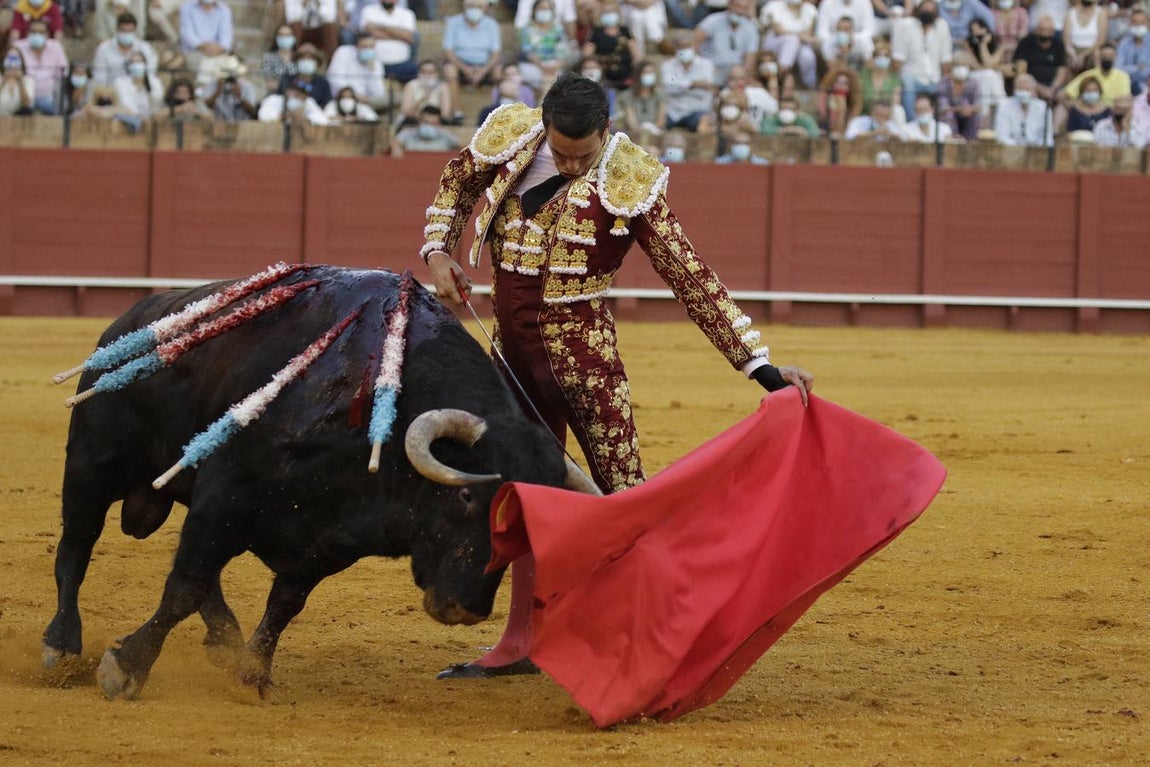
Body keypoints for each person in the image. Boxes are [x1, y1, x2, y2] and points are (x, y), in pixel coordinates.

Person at [417, 73, 813, 678]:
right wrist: (438, 250)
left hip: (587, 366)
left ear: (607, 130)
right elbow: (456, 183)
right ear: (544, 126)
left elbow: (688, 274)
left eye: (585, 154)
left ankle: (659, 639)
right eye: (562, 153)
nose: (573, 166)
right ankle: (523, 642)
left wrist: (759, 366)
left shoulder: (629, 177)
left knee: (625, 499)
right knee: (520, 493)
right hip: (511, 362)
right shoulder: (512, 136)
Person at [891, 0, 953, 122]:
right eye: (925, 7)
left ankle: (942, 126)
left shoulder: (942, 26)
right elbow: (897, 61)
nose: (928, 11)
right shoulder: (904, 26)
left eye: (931, 8)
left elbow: (946, 60)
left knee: (946, 86)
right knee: (907, 82)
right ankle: (911, 123)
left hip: (934, 78)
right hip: (912, 78)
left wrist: (945, 79)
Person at [442, 0, 503, 114]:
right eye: (471, 6)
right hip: (460, 65)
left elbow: (496, 53)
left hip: (484, 65)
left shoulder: (492, 24)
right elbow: (447, 51)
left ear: (485, 8)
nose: (474, 9)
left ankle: (500, 110)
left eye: (478, 6)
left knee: (498, 69)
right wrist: (465, 69)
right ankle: (457, 112)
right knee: (449, 69)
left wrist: (483, 71)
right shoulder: (453, 22)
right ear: (464, 6)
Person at [660, 31, 716, 132]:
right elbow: (669, 87)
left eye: (688, 46)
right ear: (675, 49)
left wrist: (681, 87)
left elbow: (705, 89)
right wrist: (692, 84)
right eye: (681, 47)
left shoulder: (707, 65)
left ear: (695, 46)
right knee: (658, 119)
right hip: (673, 112)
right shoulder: (667, 65)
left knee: (704, 121)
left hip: (697, 111)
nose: (684, 49)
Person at [694, 0, 759, 86]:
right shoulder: (713, 20)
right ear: (729, 4)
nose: (740, 11)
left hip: (735, 70)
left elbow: (750, 58)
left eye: (744, 8)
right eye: (738, 6)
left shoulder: (750, 28)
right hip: (713, 67)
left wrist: (742, 75)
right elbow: (694, 40)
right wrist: (702, 64)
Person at [11, 19, 69, 114]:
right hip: (23, 97)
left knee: (60, 107)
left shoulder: (56, 47)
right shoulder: (17, 47)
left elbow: (63, 73)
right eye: (33, 32)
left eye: (41, 32)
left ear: (47, 34)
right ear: (27, 33)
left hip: (48, 97)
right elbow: (10, 71)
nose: (37, 35)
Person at [759, 0, 819, 89]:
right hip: (775, 42)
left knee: (807, 56)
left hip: (800, 43)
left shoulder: (810, 9)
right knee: (792, 40)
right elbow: (779, 31)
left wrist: (801, 37)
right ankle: (782, 73)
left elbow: (808, 34)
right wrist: (800, 36)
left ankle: (810, 85)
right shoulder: (773, 6)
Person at [581, 0, 639, 91]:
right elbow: (586, 54)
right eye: (606, 12)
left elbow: (636, 55)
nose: (609, 14)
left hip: (626, 77)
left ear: (618, 13)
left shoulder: (625, 31)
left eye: (612, 11)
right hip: (604, 79)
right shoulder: (596, 32)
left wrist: (635, 74)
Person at [520, 0, 575, 92]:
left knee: (555, 79)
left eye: (547, 9)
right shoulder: (526, 29)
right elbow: (528, 52)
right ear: (534, 10)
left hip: (554, 65)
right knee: (548, 81)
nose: (544, 11)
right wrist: (542, 66)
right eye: (541, 9)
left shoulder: (558, 29)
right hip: (533, 65)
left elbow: (562, 51)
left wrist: (556, 66)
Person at [1012, 15, 1070, 102]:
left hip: (1053, 87)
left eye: (1048, 31)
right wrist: (1038, 88)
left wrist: (1053, 89)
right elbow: (1021, 71)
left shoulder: (1058, 45)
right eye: (1042, 30)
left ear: (1053, 32)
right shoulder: (1026, 43)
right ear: (1037, 30)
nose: (1045, 34)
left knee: (1063, 96)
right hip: (1031, 85)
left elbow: (1062, 71)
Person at [327, 32, 391, 110]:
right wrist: (354, 95)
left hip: (365, 103)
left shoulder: (376, 62)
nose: (368, 50)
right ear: (356, 47)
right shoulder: (343, 52)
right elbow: (335, 80)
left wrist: (372, 71)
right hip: (343, 99)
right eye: (364, 47)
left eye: (371, 47)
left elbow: (378, 94)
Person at [359, 0, 418, 83]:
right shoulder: (368, 10)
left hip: (402, 63)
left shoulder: (407, 14)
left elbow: (409, 37)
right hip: (373, 63)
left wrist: (380, 26)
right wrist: (400, 35)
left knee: (416, 72)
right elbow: (369, 33)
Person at [92, 13, 158, 86]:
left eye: (130, 31)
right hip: (111, 90)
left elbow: (150, 74)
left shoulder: (145, 48)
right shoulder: (103, 48)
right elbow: (99, 78)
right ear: (117, 30)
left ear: (135, 31)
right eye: (123, 31)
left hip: (137, 89)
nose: (126, 34)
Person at [178, 0, 235, 78]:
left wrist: (219, 48)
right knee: (207, 69)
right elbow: (187, 35)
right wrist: (203, 46)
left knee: (233, 69)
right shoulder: (187, 7)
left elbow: (226, 36)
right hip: (194, 51)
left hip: (218, 52)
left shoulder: (224, 10)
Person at [994, 72, 1053, 144]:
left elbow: (1047, 138)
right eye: (1020, 89)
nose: (1023, 92)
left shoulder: (1043, 108)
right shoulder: (1004, 106)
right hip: (1011, 148)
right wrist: (1019, 148)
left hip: (1036, 148)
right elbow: (1002, 136)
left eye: (1027, 89)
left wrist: (1037, 148)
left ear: (1034, 92)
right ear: (1014, 90)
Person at [615, 58, 665, 137]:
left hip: (654, 132)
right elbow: (631, 121)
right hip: (634, 132)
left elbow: (661, 121)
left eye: (652, 72)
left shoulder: (659, 94)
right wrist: (640, 130)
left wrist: (650, 129)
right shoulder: (627, 95)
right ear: (638, 75)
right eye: (646, 72)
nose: (649, 75)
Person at [938, 55, 981, 140]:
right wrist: (959, 109)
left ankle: (971, 142)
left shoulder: (973, 83)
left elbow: (979, 103)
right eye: (958, 65)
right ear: (952, 67)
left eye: (964, 65)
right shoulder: (944, 83)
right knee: (948, 115)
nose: (961, 68)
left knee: (976, 116)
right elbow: (943, 106)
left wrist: (971, 109)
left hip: (967, 114)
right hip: (949, 114)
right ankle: (953, 139)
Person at [398, 59, 452, 126]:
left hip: (435, 124)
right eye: (423, 72)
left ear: (437, 74)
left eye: (430, 72)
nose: (427, 75)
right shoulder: (411, 85)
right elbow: (406, 112)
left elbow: (445, 114)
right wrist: (422, 98)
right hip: (412, 123)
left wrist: (430, 119)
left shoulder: (443, 87)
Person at [860, 38, 902, 117]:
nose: (882, 58)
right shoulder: (865, 75)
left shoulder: (894, 79)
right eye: (879, 55)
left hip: (886, 116)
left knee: (898, 111)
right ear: (874, 58)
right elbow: (859, 101)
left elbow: (895, 102)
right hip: (866, 115)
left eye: (885, 56)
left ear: (890, 59)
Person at [393, 103, 460, 152]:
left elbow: (461, 146)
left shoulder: (445, 135)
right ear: (420, 121)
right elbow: (395, 142)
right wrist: (396, 148)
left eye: (433, 124)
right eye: (426, 122)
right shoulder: (410, 133)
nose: (429, 126)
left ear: (439, 124)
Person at [816, 65, 862, 136]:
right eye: (838, 82)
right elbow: (824, 119)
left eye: (845, 84)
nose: (841, 86)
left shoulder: (853, 104)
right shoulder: (824, 99)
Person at [1063, 0, 1107, 74]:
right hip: (1074, 50)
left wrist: (1084, 55)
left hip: (1092, 50)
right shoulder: (1071, 13)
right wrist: (1074, 56)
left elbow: (1101, 40)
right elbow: (1067, 43)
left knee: (1096, 55)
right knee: (1069, 59)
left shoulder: (1100, 13)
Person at [258, 80, 329, 123]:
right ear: (287, 91)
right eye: (296, 93)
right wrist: (282, 117)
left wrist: (304, 119)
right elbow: (262, 116)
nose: (298, 97)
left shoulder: (309, 102)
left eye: (302, 95)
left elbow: (323, 121)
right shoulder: (275, 99)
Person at [1115, 10, 1150, 94]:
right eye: (1135, 22)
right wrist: (1138, 68)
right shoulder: (1124, 43)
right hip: (1127, 83)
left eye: (1142, 22)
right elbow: (1118, 68)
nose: (1138, 25)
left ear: (1148, 24)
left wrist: (1131, 69)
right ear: (1130, 23)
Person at [262, 24, 299, 92]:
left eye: (287, 35)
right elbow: (270, 84)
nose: (284, 38)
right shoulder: (269, 57)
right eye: (281, 35)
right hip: (276, 95)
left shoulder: (299, 57)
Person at [0, 50, 36, 116]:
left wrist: (20, 81)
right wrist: (3, 81)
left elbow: (26, 104)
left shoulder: (28, 80)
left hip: (18, 118)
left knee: (27, 111)